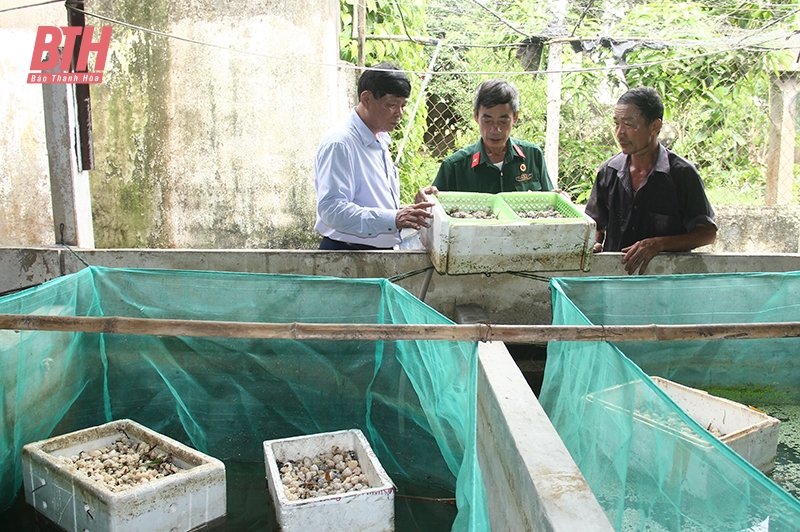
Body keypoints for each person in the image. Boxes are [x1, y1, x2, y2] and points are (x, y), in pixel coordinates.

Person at [584, 86, 717, 275]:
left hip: (665, 282)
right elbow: (595, 224)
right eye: (617, 124)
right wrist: (594, 243)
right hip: (616, 279)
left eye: (629, 125)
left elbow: (707, 233)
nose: (620, 133)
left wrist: (659, 244)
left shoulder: (681, 174)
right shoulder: (609, 171)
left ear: (655, 126)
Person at [314, 62, 434, 250]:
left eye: (403, 105)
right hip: (348, 252)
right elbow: (332, 210)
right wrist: (393, 218)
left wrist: (409, 210)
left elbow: (371, 200)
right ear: (367, 99)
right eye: (392, 105)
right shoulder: (341, 143)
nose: (400, 114)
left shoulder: (380, 137)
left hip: (375, 251)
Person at [416, 78, 553, 202]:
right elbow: (433, 210)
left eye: (503, 121)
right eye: (487, 120)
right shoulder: (455, 167)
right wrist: (423, 199)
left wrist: (558, 197)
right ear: (476, 116)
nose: (495, 129)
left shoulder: (533, 156)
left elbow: (549, 204)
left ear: (515, 117)